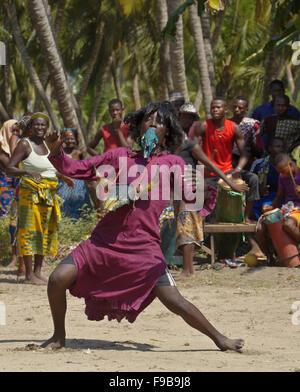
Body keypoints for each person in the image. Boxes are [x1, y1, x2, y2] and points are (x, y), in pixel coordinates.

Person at [41, 101, 244, 353]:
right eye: (148, 120)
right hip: (104, 241)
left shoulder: (172, 162)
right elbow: (76, 168)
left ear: (167, 132)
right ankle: (58, 337)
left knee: (174, 300)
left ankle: (219, 339)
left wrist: (213, 186)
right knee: (57, 278)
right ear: (138, 126)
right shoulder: (118, 156)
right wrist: (56, 151)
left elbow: (190, 196)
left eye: (159, 122)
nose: (153, 125)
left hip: (143, 245)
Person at [172, 102, 248, 279]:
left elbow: (210, 164)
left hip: (190, 188)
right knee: (184, 228)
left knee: (186, 228)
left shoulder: (191, 145)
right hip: (180, 188)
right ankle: (188, 270)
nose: (184, 121)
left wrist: (232, 183)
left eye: (188, 118)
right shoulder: (175, 145)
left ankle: (188, 270)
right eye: (182, 117)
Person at [6, 113, 68, 285]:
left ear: (47, 127)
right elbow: (9, 169)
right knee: (29, 231)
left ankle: (38, 272)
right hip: (30, 193)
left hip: (49, 195)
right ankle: (28, 275)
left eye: (43, 125)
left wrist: (63, 177)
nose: (40, 128)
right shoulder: (25, 144)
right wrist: (27, 172)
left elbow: (52, 167)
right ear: (31, 127)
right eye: (37, 125)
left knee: (45, 231)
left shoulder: (49, 146)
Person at [256, 153, 300, 264]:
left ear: (290, 164)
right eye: (279, 171)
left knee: (288, 225)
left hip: (298, 210)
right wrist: (271, 207)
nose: (281, 174)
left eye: (282, 170)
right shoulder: (282, 177)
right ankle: (270, 257)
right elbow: (279, 196)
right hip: (287, 208)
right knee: (260, 227)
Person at [56, 129, 92, 219]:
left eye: (72, 139)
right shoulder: (60, 153)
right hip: (63, 184)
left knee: (81, 208)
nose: (70, 141)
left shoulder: (79, 153)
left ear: (76, 139)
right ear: (63, 139)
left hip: (79, 185)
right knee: (63, 207)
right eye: (67, 139)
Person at [250, 138, 286, 219]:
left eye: (282, 147)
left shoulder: (289, 166)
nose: (281, 149)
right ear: (270, 148)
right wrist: (259, 191)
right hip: (262, 198)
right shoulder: (259, 164)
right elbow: (250, 185)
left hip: (281, 199)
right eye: (278, 146)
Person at [230, 96, 264, 169]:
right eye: (234, 107)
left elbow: (259, 152)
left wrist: (250, 141)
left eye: (240, 108)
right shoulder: (226, 123)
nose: (236, 110)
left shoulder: (251, 125)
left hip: (245, 162)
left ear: (246, 110)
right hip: (226, 161)